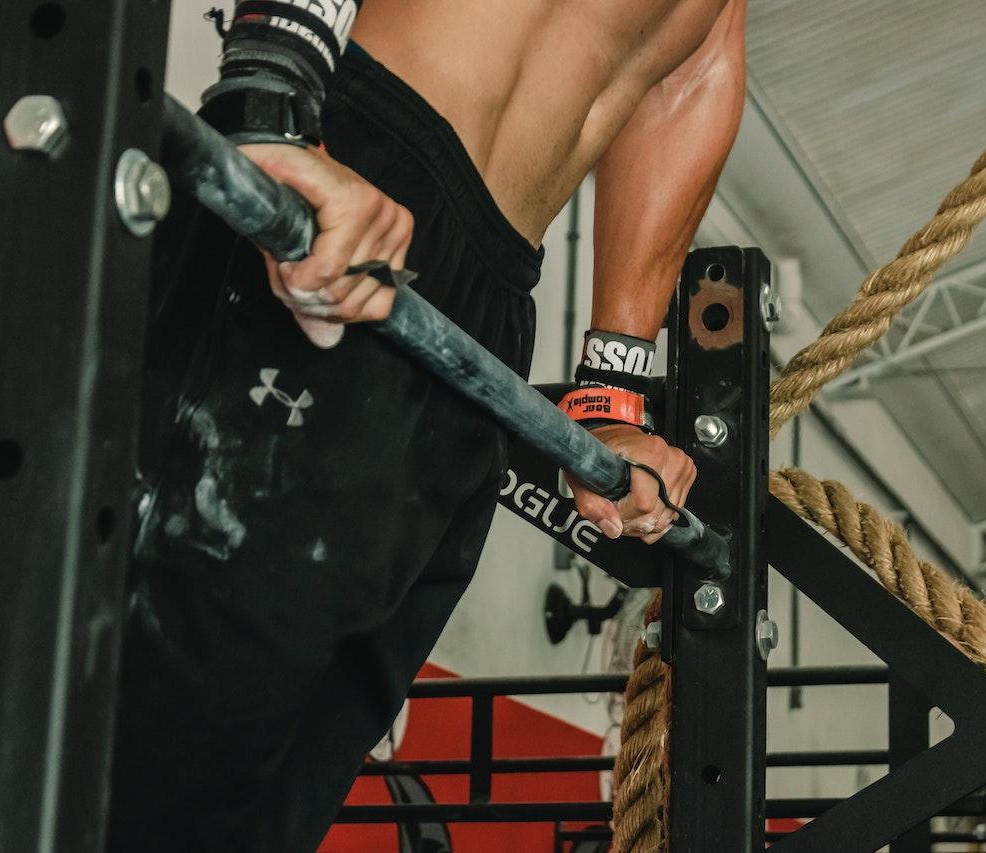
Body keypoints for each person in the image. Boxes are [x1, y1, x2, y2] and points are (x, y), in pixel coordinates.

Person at [106, 0, 748, 850]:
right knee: (147, 756)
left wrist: (611, 393)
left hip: (488, 309)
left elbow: (690, 71)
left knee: (276, 798)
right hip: (349, 173)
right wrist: (271, 96)